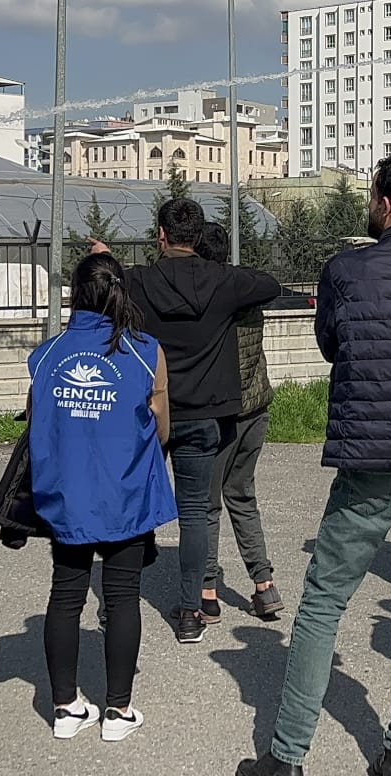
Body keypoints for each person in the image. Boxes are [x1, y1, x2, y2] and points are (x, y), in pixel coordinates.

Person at [238, 155, 391, 776]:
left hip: (369, 454)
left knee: (322, 603)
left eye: (373, 195)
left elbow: (330, 343)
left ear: (386, 204)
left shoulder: (345, 269)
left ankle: (288, 756)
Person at [31, 253, 177, 741]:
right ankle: (118, 711)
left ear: (75, 294)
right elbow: (160, 430)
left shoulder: (47, 355)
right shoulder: (144, 350)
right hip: (125, 496)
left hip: (67, 495)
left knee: (65, 596)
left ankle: (66, 706)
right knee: (122, 598)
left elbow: (39, 425)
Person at [120, 197, 280, 642]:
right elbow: (268, 283)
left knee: (136, 503)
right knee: (195, 512)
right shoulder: (224, 281)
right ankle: (192, 612)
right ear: (198, 236)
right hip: (206, 414)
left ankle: (121, 594)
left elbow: (103, 284)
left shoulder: (138, 281)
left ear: (161, 235)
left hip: (151, 410)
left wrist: (104, 258)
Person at [195, 222, 286, 620]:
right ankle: (264, 586)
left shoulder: (208, 300)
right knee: (242, 496)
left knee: (207, 504)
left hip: (221, 414)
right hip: (257, 408)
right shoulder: (247, 294)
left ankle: (208, 589)